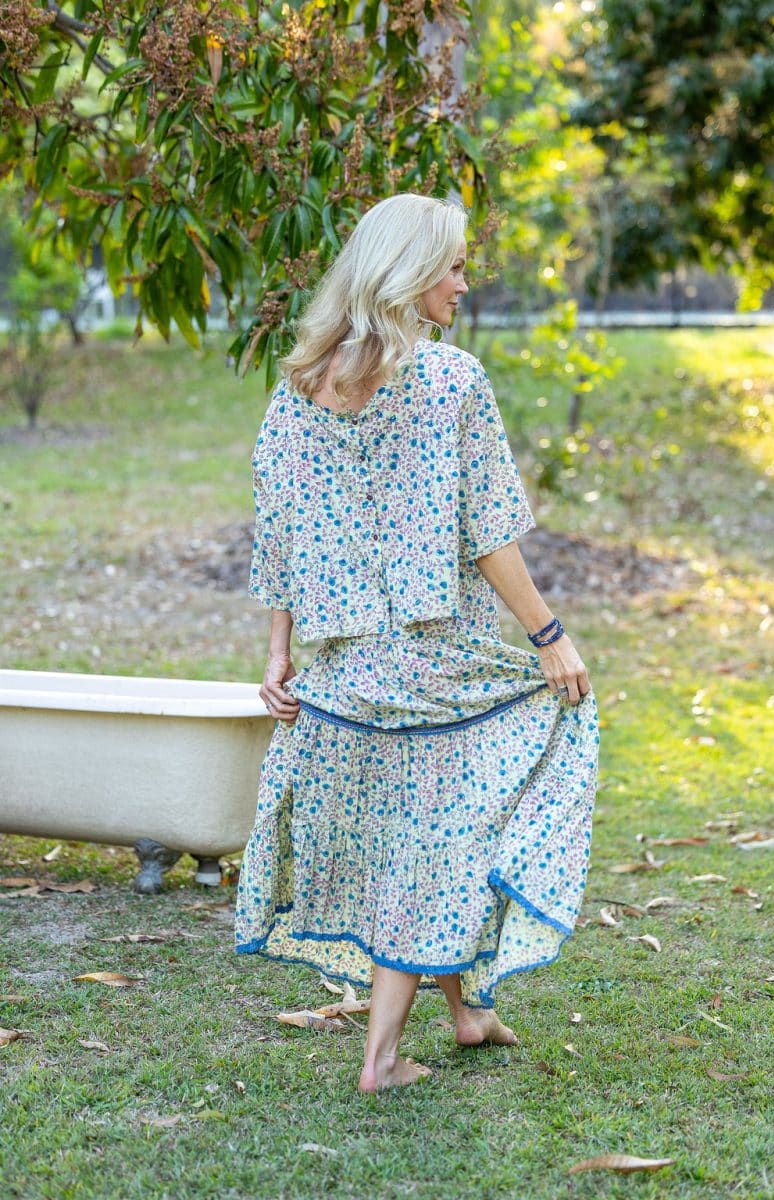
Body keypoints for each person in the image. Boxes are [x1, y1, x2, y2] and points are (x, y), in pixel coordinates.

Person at [234, 193, 599, 1092]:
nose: (464, 284)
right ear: (406, 273)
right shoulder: (450, 381)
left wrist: (278, 652)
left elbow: (278, 531)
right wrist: (549, 637)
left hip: (346, 661)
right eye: (454, 266)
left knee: (429, 823)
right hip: (444, 657)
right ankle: (383, 1058)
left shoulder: (298, 390)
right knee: (445, 832)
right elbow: (490, 534)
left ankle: (466, 1012)